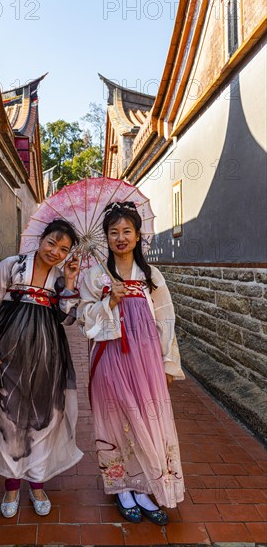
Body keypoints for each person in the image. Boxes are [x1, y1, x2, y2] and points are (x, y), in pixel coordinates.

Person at [77, 201, 185, 525]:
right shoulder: (96, 276)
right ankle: (122, 486)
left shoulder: (151, 276)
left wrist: (168, 363)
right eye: (114, 232)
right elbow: (83, 318)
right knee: (115, 418)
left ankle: (145, 487)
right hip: (109, 359)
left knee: (149, 419)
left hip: (146, 361)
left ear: (138, 236)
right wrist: (109, 300)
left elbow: (166, 319)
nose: (120, 238)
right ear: (106, 238)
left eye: (127, 231)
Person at [0, 219, 84, 518]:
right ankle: (12, 485)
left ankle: (37, 484)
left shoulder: (62, 279)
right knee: (9, 421)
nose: (55, 252)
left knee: (44, 421)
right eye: (52, 243)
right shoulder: (11, 266)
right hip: (8, 357)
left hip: (48, 359)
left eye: (64, 249)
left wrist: (71, 283)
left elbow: (66, 319)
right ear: (40, 238)